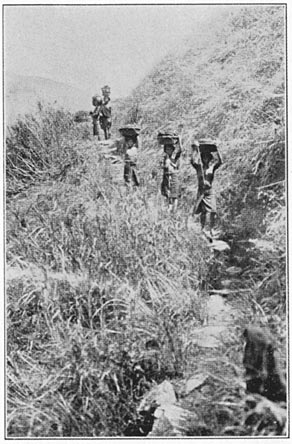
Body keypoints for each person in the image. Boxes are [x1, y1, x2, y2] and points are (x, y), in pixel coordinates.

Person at [191, 140, 222, 240]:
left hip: (210, 191)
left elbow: (220, 161)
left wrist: (217, 149)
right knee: (203, 211)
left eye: (207, 157)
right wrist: (195, 149)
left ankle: (210, 228)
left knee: (213, 210)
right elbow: (192, 161)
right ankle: (203, 229)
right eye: (204, 157)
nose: (205, 159)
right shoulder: (198, 167)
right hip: (201, 192)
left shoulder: (212, 167)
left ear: (209, 158)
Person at [160, 135, 182, 212]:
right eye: (167, 149)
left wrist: (179, 141)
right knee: (167, 193)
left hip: (174, 177)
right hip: (166, 176)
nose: (168, 151)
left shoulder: (174, 158)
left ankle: (174, 209)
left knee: (174, 194)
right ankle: (169, 208)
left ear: (172, 150)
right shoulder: (164, 159)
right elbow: (162, 167)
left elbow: (180, 150)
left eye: (170, 149)